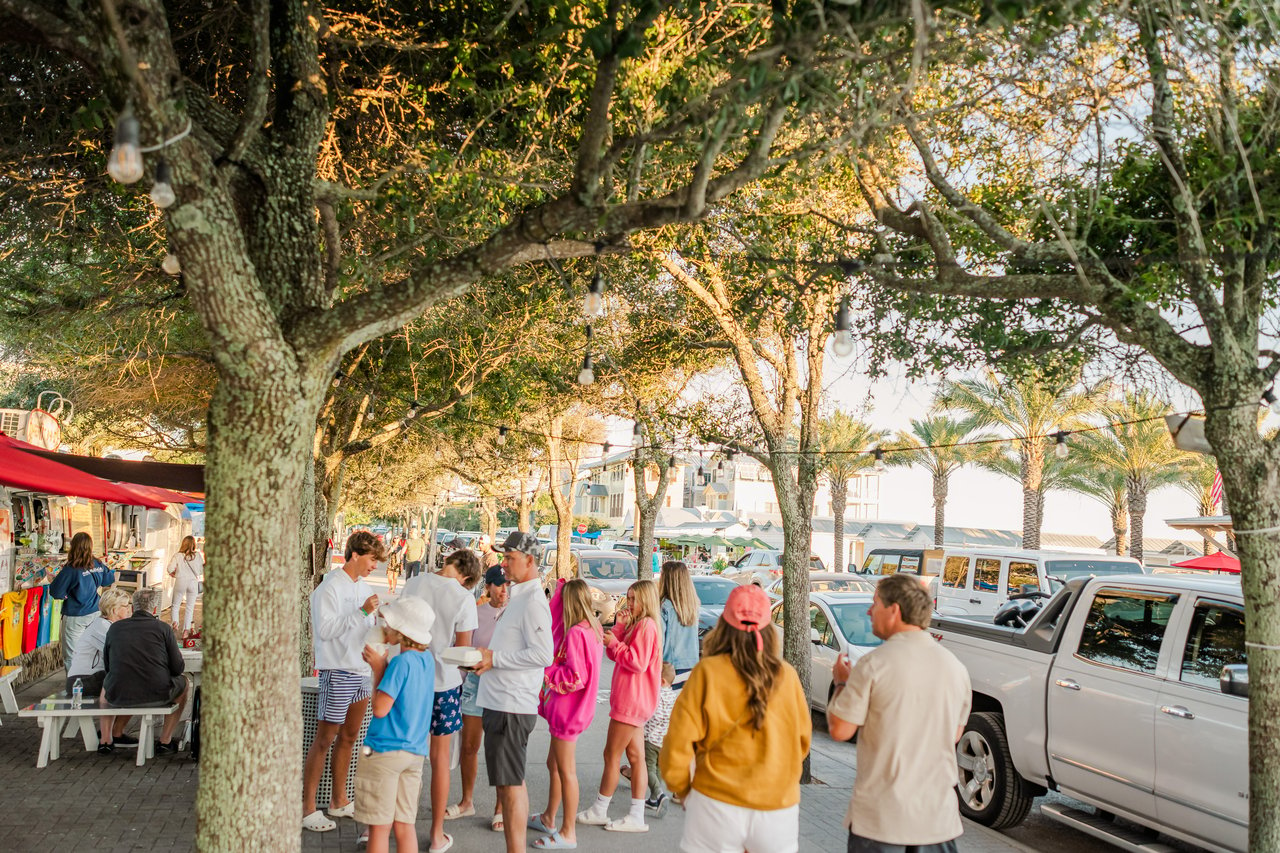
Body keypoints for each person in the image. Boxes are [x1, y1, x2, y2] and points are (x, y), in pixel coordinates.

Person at [826, 572, 972, 853]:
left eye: (875, 603)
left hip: (882, 818)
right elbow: (953, 734)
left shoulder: (872, 665)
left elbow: (840, 730)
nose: (869, 611)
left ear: (894, 610)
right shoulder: (956, 668)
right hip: (936, 818)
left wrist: (842, 681)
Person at [660, 584, 811, 853]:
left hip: (715, 803)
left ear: (724, 625)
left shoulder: (707, 672)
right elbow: (801, 742)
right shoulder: (786, 676)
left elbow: (678, 743)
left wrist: (683, 789)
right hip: (777, 809)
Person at [472, 532, 554, 853]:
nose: (503, 563)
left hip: (511, 705)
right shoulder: (520, 595)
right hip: (501, 702)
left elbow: (543, 654)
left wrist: (495, 659)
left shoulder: (533, 600)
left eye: (509, 558)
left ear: (530, 561)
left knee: (510, 787)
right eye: (503, 557)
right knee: (511, 783)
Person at [402, 548, 482, 853]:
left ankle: (399, 825)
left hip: (408, 681)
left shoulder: (414, 583)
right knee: (439, 762)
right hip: (443, 686)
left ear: (448, 563)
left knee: (404, 757)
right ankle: (436, 835)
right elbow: (463, 654)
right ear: (466, 577)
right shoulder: (463, 598)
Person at [302, 530, 382, 833]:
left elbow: (365, 626)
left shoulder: (364, 586)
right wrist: (362, 611)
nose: (375, 565)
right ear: (355, 555)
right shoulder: (330, 587)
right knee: (324, 740)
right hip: (337, 670)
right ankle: (308, 809)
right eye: (372, 559)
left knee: (350, 738)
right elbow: (325, 630)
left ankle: (339, 801)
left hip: (361, 671)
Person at [578, 579, 662, 833]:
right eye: (629, 598)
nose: (630, 603)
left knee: (611, 755)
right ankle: (635, 815)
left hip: (632, 700)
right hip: (634, 699)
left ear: (646, 600)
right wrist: (620, 628)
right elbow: (614, 653)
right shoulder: (641, 625)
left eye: (635, 599)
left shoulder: (647, 626)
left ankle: (600, 808)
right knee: (635, 758)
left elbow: (636, 662)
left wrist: (615, 641)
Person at [354, 596, 436, 853]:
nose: (384, 626)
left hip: (385, 752)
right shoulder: (427, 660)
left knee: (379, 827)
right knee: (404, 825)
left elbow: (380, 709)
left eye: (389, 623)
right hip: (414, 753)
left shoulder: (400, 663)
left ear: (400, 631)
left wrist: (379, 669)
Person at [531, 578, 604, 849]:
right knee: (555, 765)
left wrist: (546, 670)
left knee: (565, 771)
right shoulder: (593, 626)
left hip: (567, 713)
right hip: (575, 712)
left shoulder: (575, 631)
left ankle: (568, 831)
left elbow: (576, 677)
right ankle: (550, 817)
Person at [446, 565, 509, 830]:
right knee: (470, 747)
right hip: (473, 684)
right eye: (500, 585)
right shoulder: (476, 611)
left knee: (499, 750)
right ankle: (466, 801)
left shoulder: (516, 614)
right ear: (489, 586)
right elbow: (461, 649)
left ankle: (500, 808)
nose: (504, 591)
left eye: (508, 586)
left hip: (502, 686)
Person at [101, 587, 189, 755]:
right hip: (156, 693)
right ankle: (165, 740)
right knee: (184, 683)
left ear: (132, 608)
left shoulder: (115, 629)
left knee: (122, 680)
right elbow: (178, 668)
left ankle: (111, 734)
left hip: (119, 694)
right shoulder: (163, 628)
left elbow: (108, 666)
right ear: (155, 609)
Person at [65, 587, 132, 754]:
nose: (130, 608)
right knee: (129, 682)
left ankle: (115, 732)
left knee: (132, 682)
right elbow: (119, 653)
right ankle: (110, 735)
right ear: (115, 609)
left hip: (92, 678)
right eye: (126, 605)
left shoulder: (111, 625)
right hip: (81, 681)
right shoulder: (102, 626)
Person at [49, 532, 115, 671]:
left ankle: (75, 688)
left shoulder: (71, 568)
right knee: (93, 650)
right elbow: (108, 579)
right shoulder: (97, 563)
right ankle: (93, 682)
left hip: (75, 617)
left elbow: (56, 592)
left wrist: (63, 591)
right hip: (96, 613)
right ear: (90, 547)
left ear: (73, 547)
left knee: (73, 655)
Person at [640, 662, 677, 814]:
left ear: (662, 681)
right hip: (664, 740)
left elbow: (655, 716)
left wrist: (644, 723)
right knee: (658, 768)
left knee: (647, 769)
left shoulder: (657, 694)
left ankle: (660, 794)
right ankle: (653, 799)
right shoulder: (673, 695)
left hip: (651, 739)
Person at [657, 561, 699, 690]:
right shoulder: (692, 606)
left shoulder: (664, 607)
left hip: (669, 668)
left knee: (665, 708)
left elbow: (659, 642)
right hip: (691, 666)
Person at [166, 535, 204, 637]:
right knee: (190, 607)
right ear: (194, 544)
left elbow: (169, 569)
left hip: (180, 581)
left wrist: (174, 574)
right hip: (193, 582)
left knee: (175, 605)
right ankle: (186, 631)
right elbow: (201, 571)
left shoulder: (177, 555)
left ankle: (175, 623)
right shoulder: (198, 556)